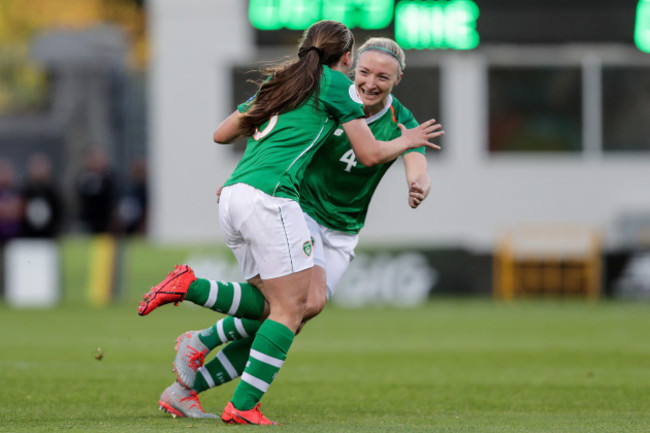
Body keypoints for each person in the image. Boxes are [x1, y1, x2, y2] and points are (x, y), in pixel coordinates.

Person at [138, 22, 442, 425]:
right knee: (290, 310)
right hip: (298, 209)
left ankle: (186, 383)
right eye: (365, 72)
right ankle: (232, 388)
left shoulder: (395, 115)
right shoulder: (337, 94)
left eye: (382, 77)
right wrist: (252, 178)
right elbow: (369, 153)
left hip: (341, 228)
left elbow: (416, 161)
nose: (370, 83)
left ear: (397, 80)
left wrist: (418, 182)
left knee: (294, 312)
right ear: (350, 64)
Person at [21, 153, 63, 238]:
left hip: (50, 235)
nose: (38, 170)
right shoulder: (25, 191)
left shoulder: (54, 191)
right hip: (28, 237)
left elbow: (60, 212)